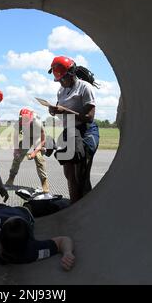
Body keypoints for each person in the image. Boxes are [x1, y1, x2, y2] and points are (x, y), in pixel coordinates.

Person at [48, 56, 99, 203]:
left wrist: (65, 111)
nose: (61, 83)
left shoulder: (85, 88)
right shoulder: (61, 91)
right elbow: (60, 109)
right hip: (69, 131)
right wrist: (54, 111)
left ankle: (88, 207)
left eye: (63, 79)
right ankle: (74, 205)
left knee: (81, 176)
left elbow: (89, 117)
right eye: (59, 80)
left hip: (85, 131)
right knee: (69, 174)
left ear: (71, 74)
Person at [5, 108, 50, 194]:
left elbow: (43, 140)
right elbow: (15, 136)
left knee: (39, 159)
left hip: (38, 138)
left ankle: (44, 183)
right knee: (17, 158)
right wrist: (16, 150)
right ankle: (11, 178)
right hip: (27, 137)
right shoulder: (19, 122)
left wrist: (34, 152)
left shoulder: (37, 122)